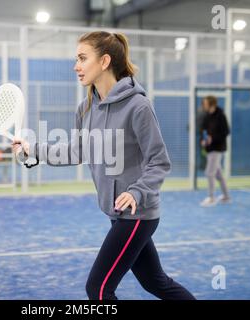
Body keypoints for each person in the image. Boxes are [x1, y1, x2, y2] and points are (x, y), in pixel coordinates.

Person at [12, 31, 195, 300]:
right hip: (116, 214)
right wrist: (32, 150)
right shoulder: (85, 109)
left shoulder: (138, 106)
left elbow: (159, 161)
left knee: (98, 290)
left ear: (105, 61)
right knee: (156, 283)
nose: (76, 66)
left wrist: (136, 192)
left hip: (138, 215)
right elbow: (76, 152)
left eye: (82, 58)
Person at [199, 96, 231, 207]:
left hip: (217, 149)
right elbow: (203, 130)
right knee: (218, 174)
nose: (204, 105)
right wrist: (203, 140)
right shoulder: (207, 116)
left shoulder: (220, 115)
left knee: (209, 172)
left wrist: (213, 138)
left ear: (211, 104)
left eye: (205, 103)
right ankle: (226, 196)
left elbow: (226, 132)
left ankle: (211, 198)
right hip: (209, 149)